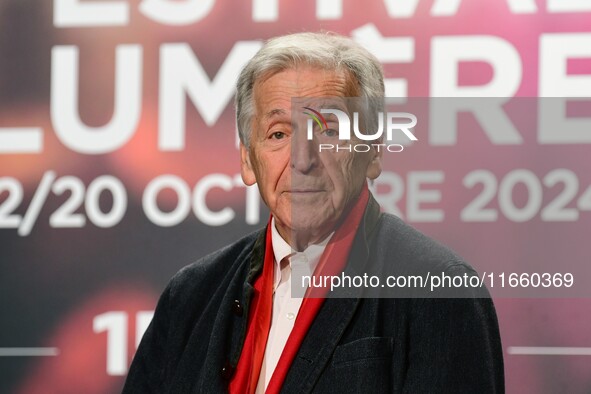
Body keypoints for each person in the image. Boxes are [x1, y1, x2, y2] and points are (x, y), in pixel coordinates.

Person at [123, 32, 504, 393]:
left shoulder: (439, 290)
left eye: (328, 131)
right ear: (247, 160)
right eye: (278, 134)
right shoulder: (190, 295)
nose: (302, 161)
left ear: (373, 151)